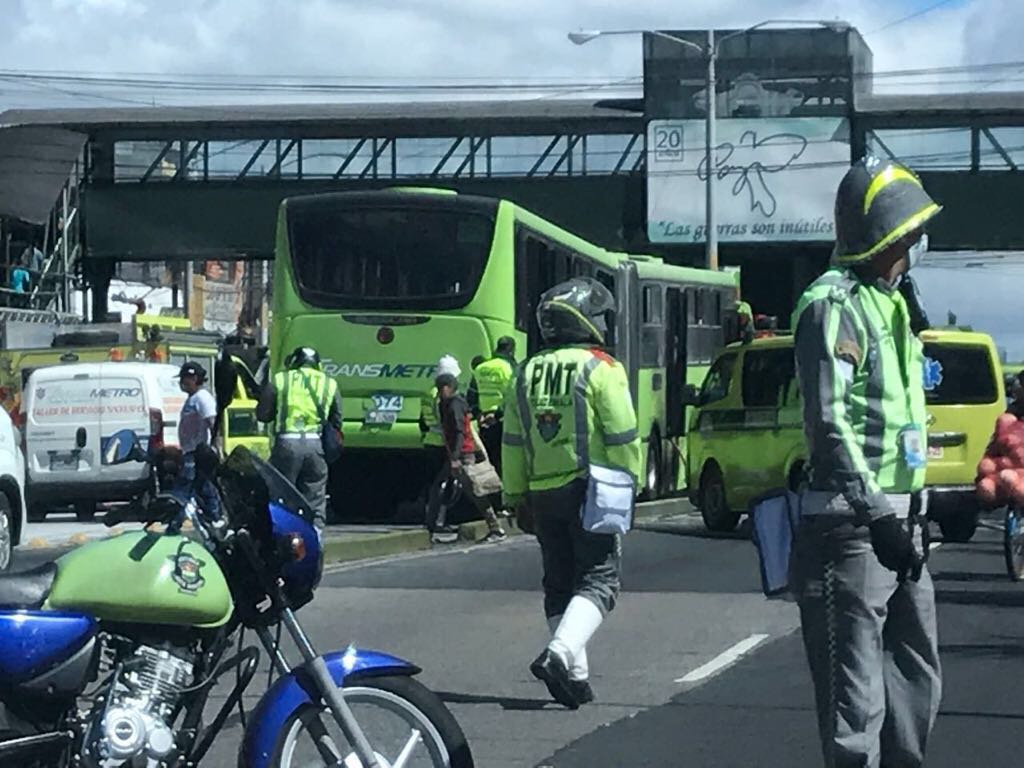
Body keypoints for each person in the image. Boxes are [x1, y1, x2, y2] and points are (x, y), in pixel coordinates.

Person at [791, 156, 943, 768]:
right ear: (891, 235)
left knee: (916, 678)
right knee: (856, 706)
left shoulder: (894, 304)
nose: (918, 243)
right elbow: (830, 421)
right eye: (912, 232)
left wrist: (919, 506)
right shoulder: (834, 305)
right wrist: (876, 513)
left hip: (902, 522)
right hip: (853, 527)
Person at [502, 277, 641, 709]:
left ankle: (575, 678)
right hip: (591, 488)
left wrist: (514, 495)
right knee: (600, 580)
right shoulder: (601, 367)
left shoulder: (524, 372)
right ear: (585, 320)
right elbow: (623, 434)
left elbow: (512, 440)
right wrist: (631, 483)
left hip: (542, 493)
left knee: (559, 583)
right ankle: (560, 656)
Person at [256, 346, 342, 528]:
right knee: (315, 495)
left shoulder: (280, 380)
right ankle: (316, 537)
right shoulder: (329, 383)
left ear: (294, 362)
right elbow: (337, 419)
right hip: (315, 444)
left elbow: (263, 414)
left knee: (281, 492)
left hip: (286, 444)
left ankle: (282, 536)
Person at [436, 372, 506, 544]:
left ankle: (495, 527)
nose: (438, 392)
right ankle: (436, 523)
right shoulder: (450, 404)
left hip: (463, 454)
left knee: (475, 490)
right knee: (449, 487)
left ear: (447, 388)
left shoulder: (454, 405)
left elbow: (461, 431)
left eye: (440, 388)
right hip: (458, 452)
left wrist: (455, 456)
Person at [175, 361, 221, 518]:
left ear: (194, 378)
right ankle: (209, 515)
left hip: (198, 453)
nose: (181, 383)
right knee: (199, 487)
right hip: (190, 451)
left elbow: (213, 423)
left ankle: (214, 516)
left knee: (192, 487)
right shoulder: (192, 398)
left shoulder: (202, 398)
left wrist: (216, 450)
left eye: (184, 378)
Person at [467, 336, 517, 477]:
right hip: (502, 420)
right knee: (504, 460)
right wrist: (498, 414)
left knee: (489, 460)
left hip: (484, 422)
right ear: (511, 350)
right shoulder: (508, 367)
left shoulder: (481, 368)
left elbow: (472, 395)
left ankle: (490, 492)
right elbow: (513, 395)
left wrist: (478, 414)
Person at [420, 373, 458, 544]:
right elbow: (447, 423)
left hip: (430, 442)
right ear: (446, 387)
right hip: (442, 445)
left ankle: (431, 520)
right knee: (440, 484)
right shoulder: (442, 400)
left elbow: (422, 421)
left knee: (433, 484)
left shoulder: (428, 394)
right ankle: (436, 521)